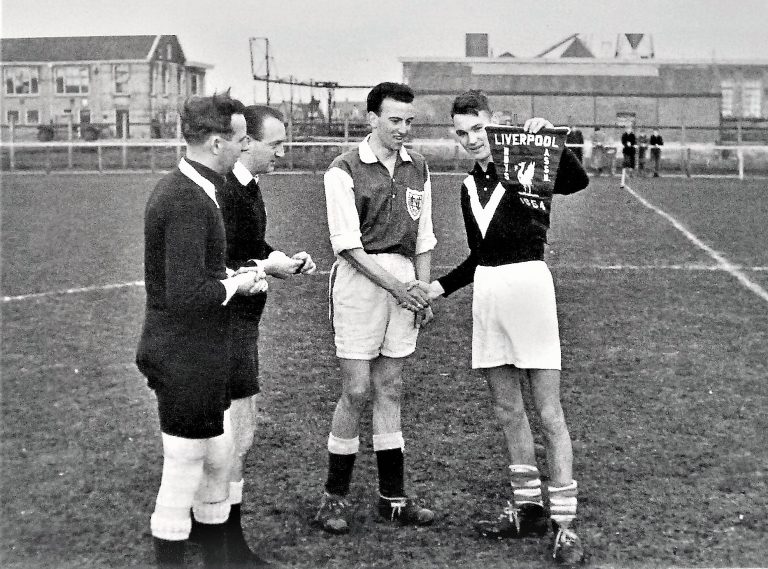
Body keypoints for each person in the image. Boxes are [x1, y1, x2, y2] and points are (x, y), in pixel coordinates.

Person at [422, 90, 588, 565]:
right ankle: (527, 510)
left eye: (478, 128)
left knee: (549, 413)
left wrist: (550, 140)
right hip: (489, 293)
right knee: (508, 410)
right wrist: (437, 288)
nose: (472, 139)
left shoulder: (524, 162)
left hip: (530, 288)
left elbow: (577, 181)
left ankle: (564, 526)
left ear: (493, 124)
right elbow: (479, 255)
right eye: (462, 133)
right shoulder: (467, 186)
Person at [136, 91, 268, 568]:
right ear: (216, 143)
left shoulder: (198, 188)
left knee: (217, 457)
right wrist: (239, 284)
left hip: (201, 352)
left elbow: (196, 279)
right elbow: (187, 294)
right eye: (240, 138)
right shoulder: (186, 198)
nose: (245, 146)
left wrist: (237, 275)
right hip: (181, 354)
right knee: (185, 467)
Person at [314, 82, 437, 534]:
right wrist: (399, 289)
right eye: (394, 120)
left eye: (409, 121)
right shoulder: (343, 169)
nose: (403, 129)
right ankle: (333, 498)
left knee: (391, 387)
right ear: (372, 119)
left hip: (403, 280)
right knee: (356, 390)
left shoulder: (419, 166)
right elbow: (348, 247)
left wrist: (420, 289)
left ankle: (393, 498)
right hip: (360, 283)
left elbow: (424, 236)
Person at [200, 104, 316, 566]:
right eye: (276, 144)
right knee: (234, 434)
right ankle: (223, 544)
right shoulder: (222, 191)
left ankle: (215, 531)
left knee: (234, 433)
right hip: (224, 325)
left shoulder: (248, 187)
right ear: (246, 142)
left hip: (242, 323)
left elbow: (250, 248)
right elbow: (217, 265)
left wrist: (282, 258)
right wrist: (268, 266)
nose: (282, 153)